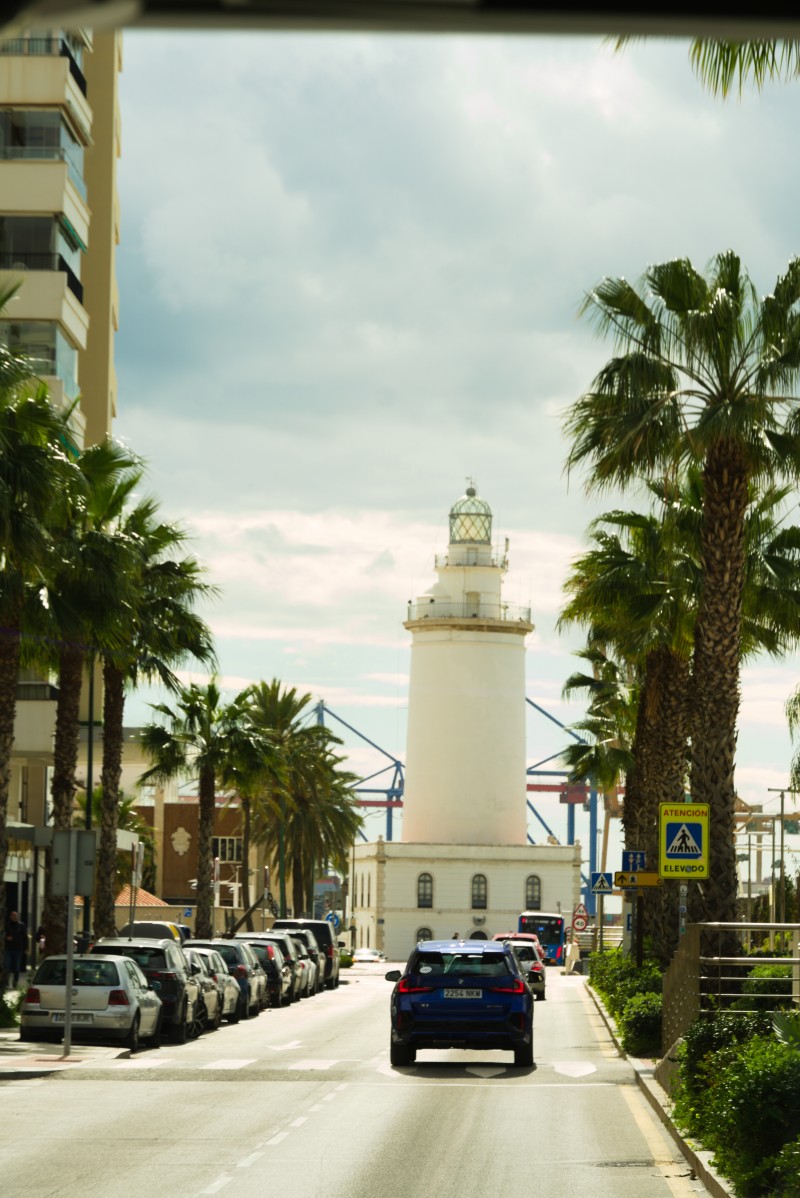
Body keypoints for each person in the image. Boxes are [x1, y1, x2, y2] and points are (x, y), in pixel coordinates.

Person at [4, 911, 28, 989]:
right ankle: (6, 983)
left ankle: (15, 983)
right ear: (10, 916)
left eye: (16, 916)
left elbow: (25, 937)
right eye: (13, 915)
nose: (15, 917)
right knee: (7, 966)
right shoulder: (7, 925)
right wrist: (6, 938)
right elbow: (3, 935)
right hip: (8, 949)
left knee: (17, 967)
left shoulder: (21, 925)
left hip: (18, 949)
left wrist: (26, 947)